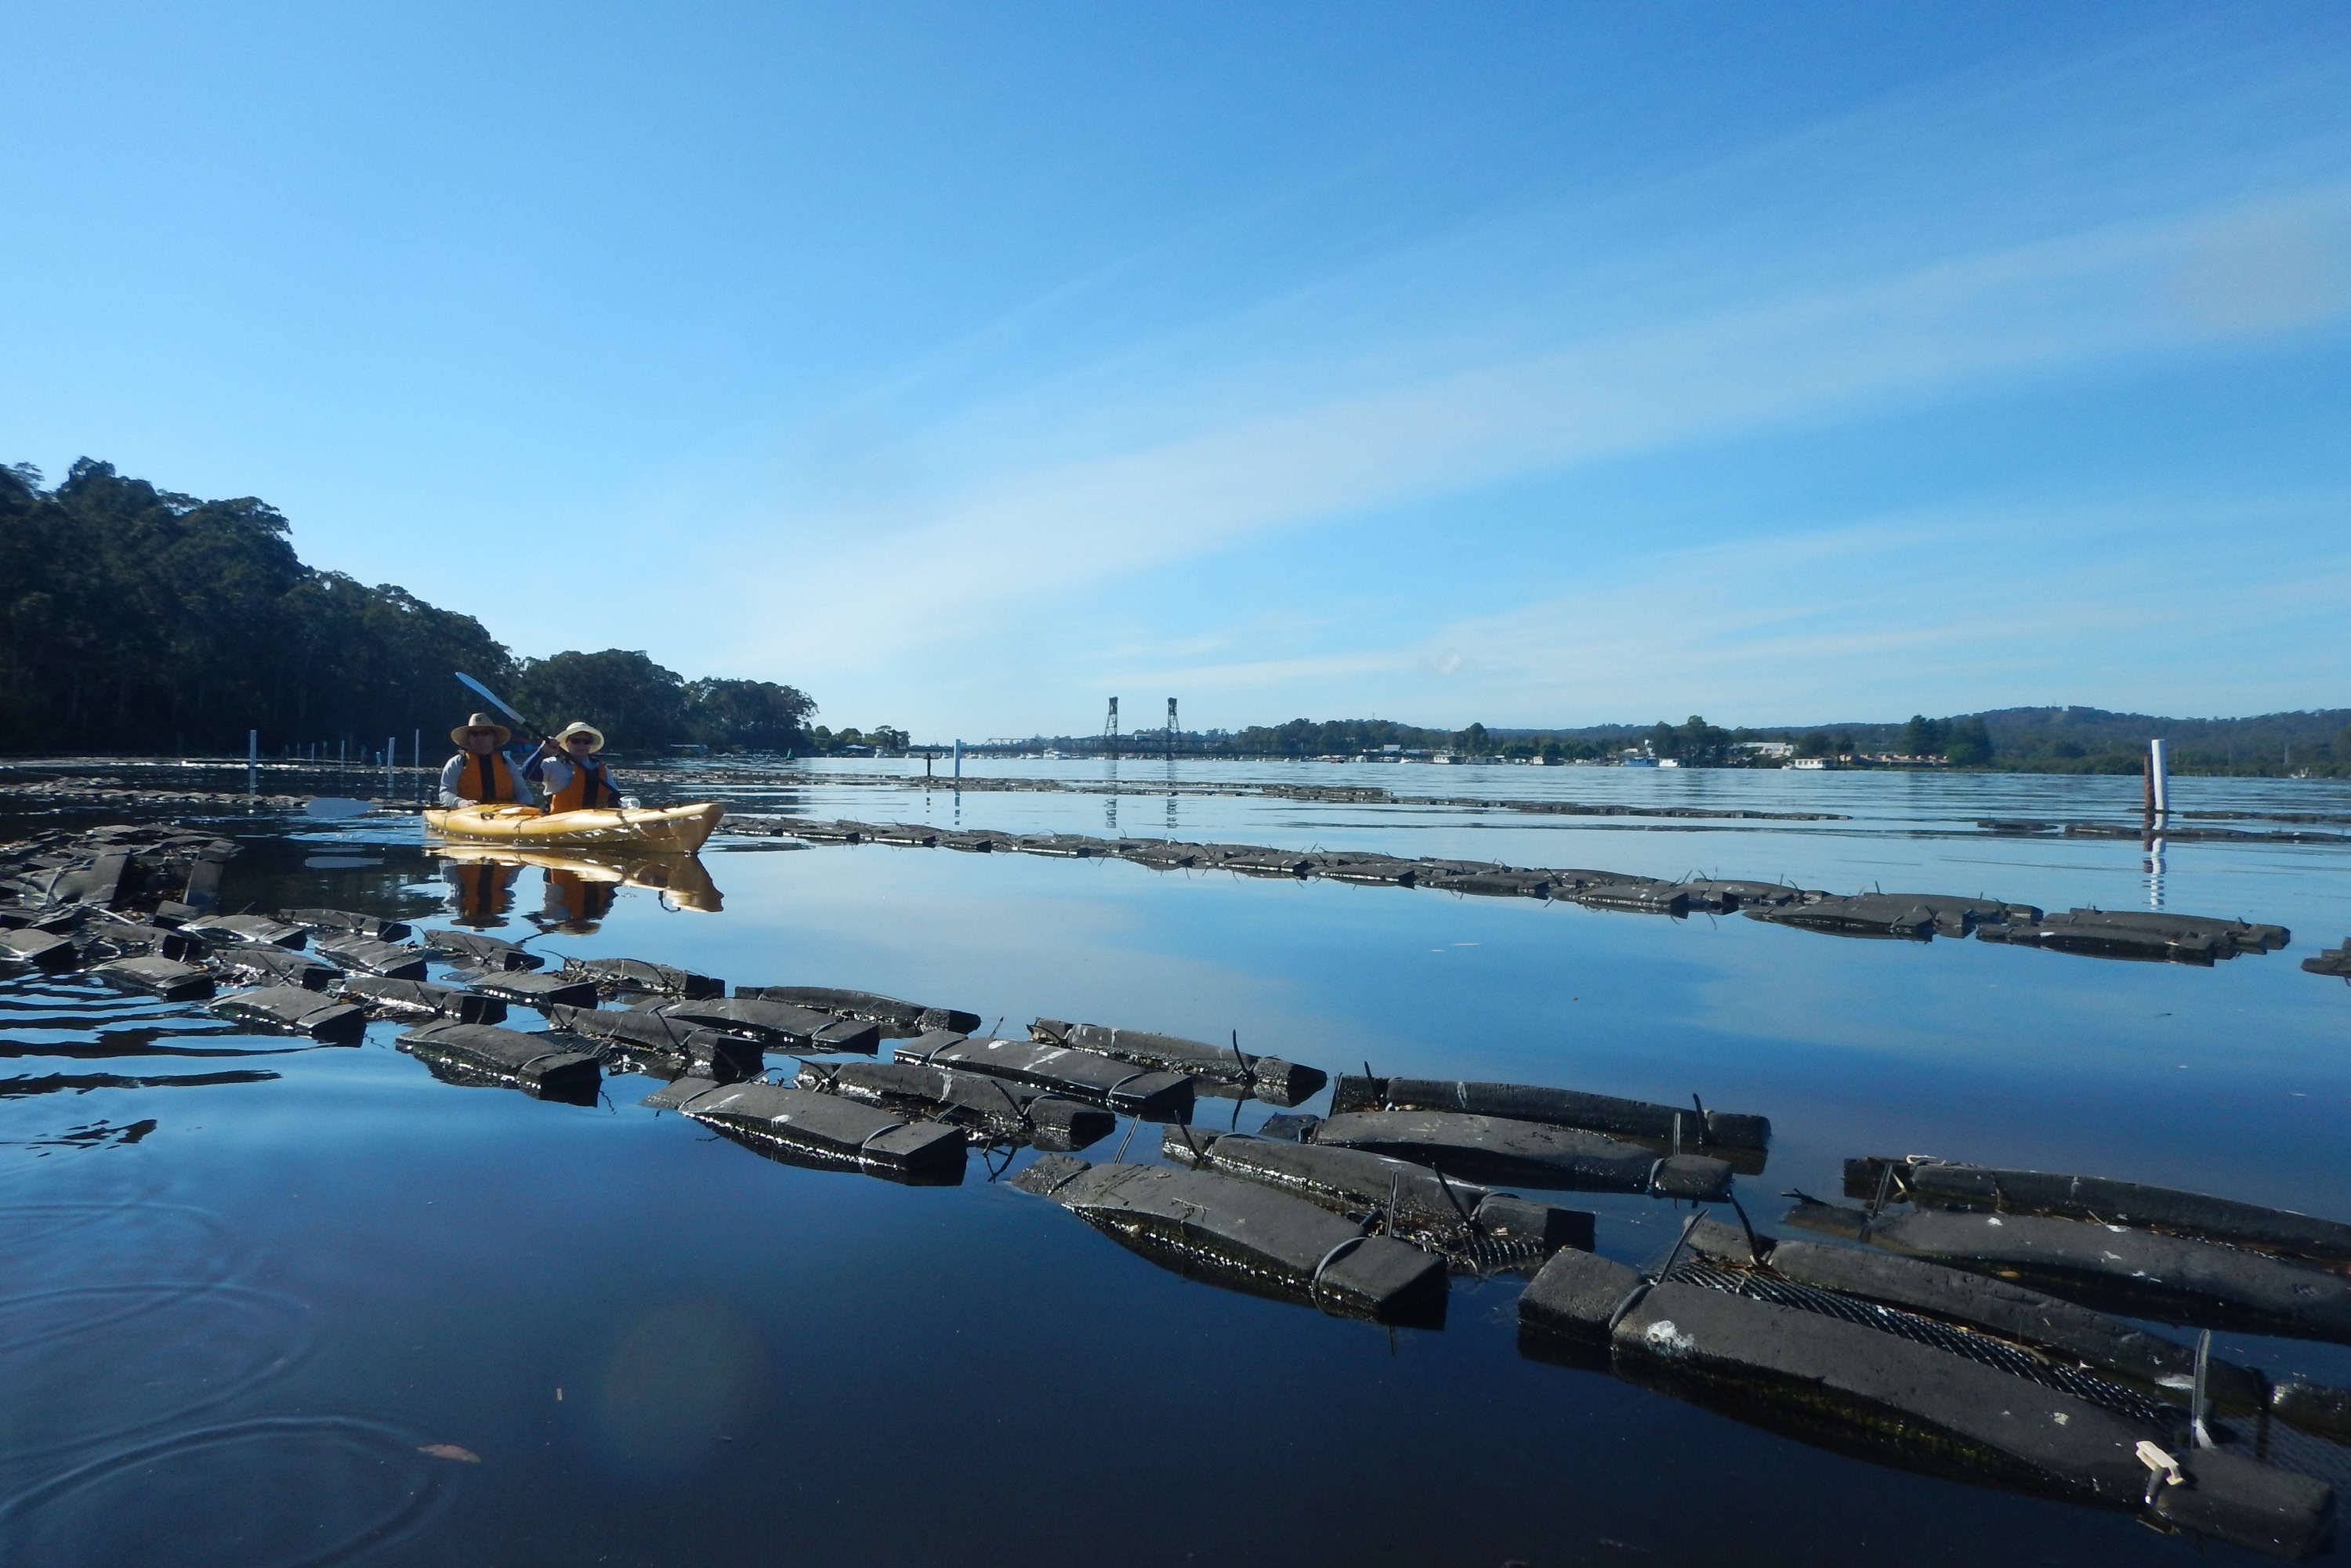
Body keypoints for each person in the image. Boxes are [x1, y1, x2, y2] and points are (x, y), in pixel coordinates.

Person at [438, 713, 534, 807]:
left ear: (493, 736)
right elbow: (445, 793)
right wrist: (461, 803)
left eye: (485, 733)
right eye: (474, 734)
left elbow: (523, 792)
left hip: (504, 815)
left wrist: (527, 806)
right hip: (469, 814)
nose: (480, 738)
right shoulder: (456, 763)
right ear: (469, 738)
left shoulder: (507, 763)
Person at [525, 722, 622, 812]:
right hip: (559, 818)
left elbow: (614, 799)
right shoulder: (552, 764)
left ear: (591, 744)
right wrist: (541, 752)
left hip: (593, 819)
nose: (581, 745)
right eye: (575, 741)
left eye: (586, 741)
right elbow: (527, 774)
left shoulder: (601, 768)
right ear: (566, 743)